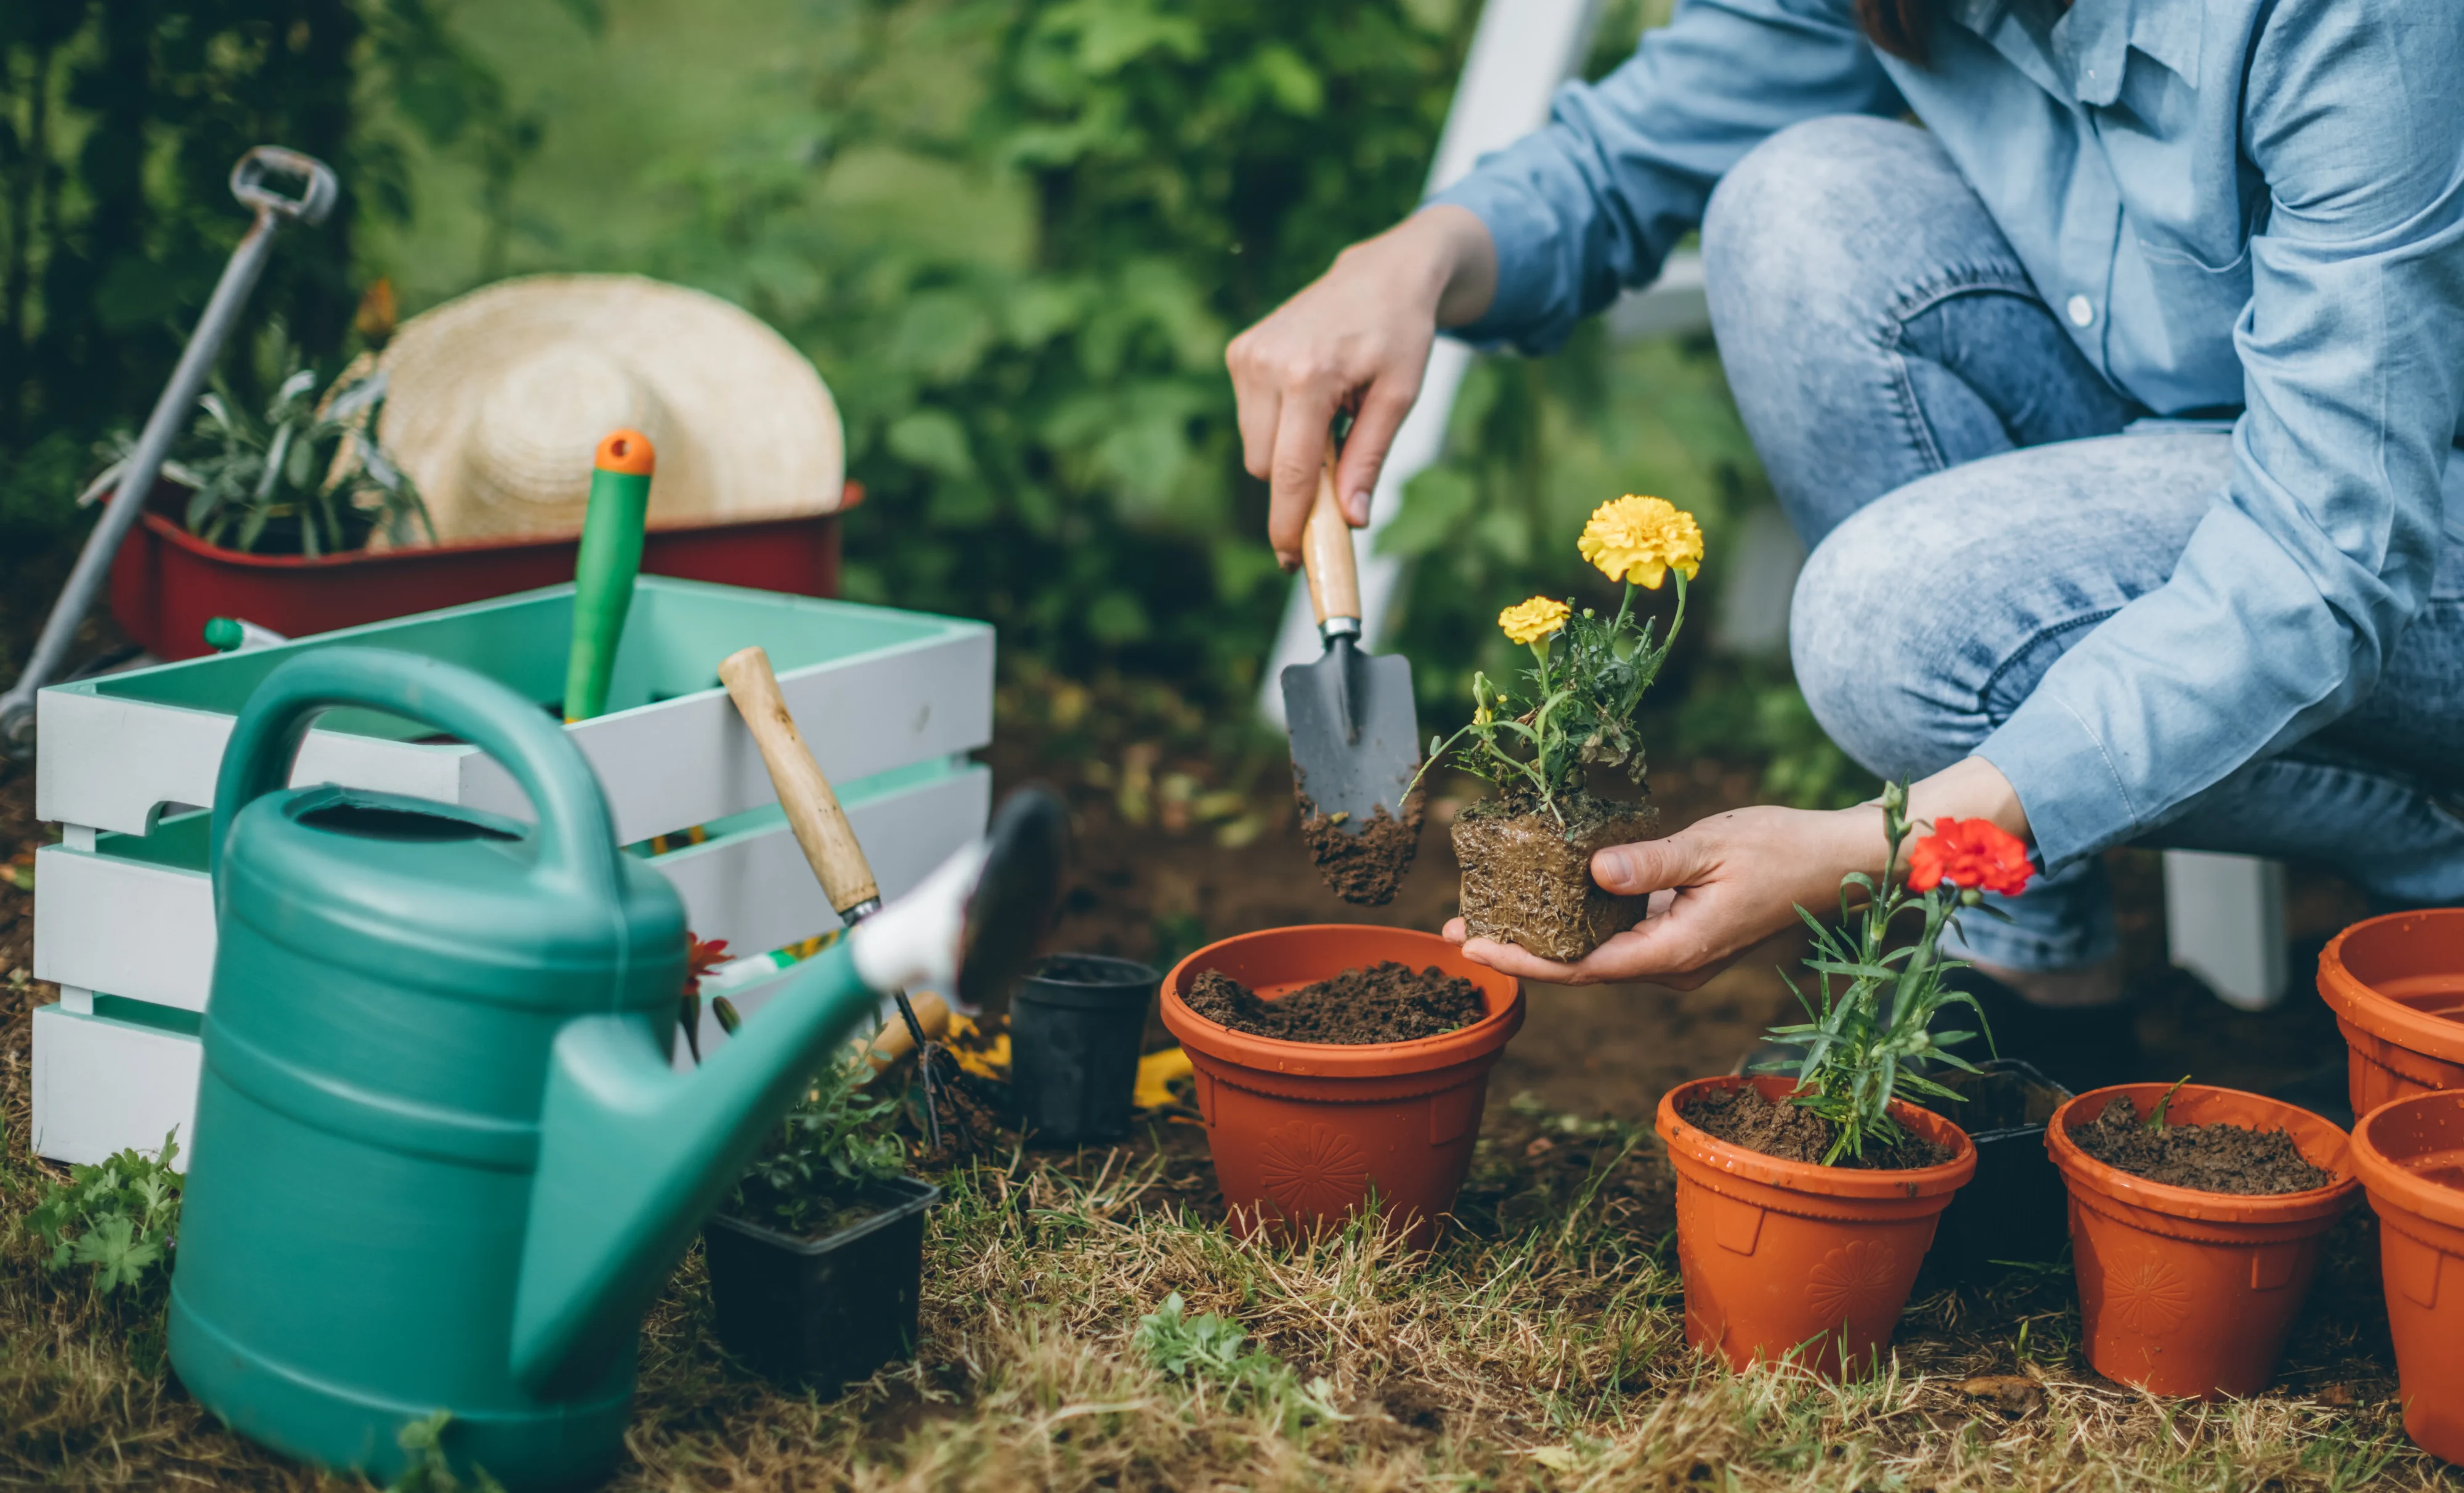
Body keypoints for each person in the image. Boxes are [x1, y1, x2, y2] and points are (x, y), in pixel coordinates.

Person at [1225, 0, 2464, 1088]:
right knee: (1797, 205)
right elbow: (1634, 152)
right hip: (2203, 455)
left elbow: (2323, 554)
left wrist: (1875, 848)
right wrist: (1410, 260)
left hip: (2396, 528)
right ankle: (2020, 970)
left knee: (1895, 619)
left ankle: (2435, 857)